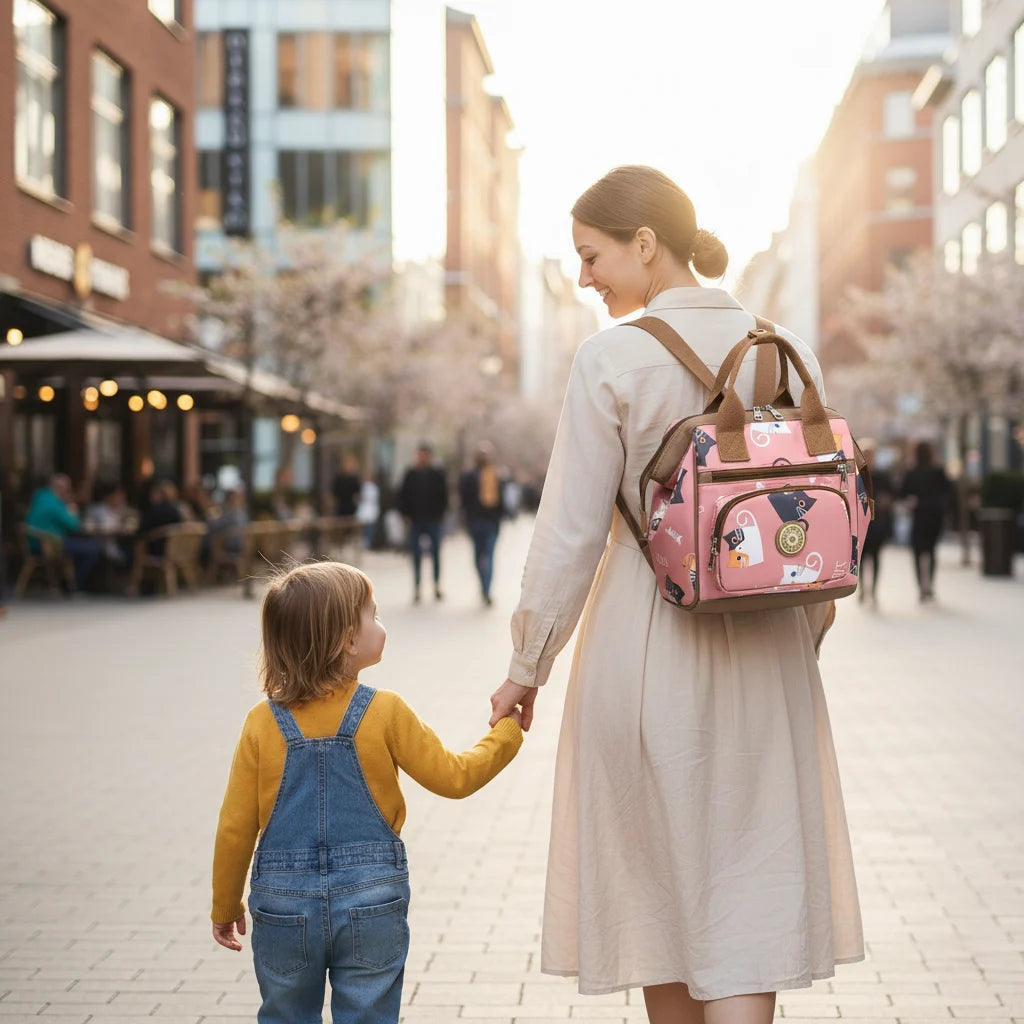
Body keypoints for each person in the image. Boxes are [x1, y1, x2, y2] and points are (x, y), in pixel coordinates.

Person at [488, 166, 863, 1024]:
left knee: (656, 874)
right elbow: (815, 520)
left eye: (592, 256)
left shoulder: (611, 358)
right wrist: (795, 641)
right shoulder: (785, 347)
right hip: (768, 650)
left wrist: (526, 665)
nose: (585, 279)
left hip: (644, 638)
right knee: (750, 871)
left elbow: (571, 532)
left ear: (644, 243)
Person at [209, 561, 523, 1023]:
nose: (381, 623)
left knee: (285, 1015)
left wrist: (225, 903)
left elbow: (235, 828)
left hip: (283, 906)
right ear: (346, 641)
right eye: (372, 614)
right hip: (371, 900)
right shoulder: (384, 712)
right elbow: (455, 778)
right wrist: (508, 731)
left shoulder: (261, 723)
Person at [25, 473, 102, 590]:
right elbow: (74, 526)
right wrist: (73, 511)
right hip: (48, 545)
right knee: (92, 548)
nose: (68, 492)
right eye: (67, 489)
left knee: (82, 546)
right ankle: (72, 584)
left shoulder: (41, 497)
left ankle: (68, 582)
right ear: (59, 488)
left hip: (33, 542)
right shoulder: (53, 503)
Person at [901, 440, 952, 602]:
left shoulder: (912, 472)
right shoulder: (938, 471)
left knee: (918, 552)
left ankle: (921, 586)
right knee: (931, 550)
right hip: (935, 516)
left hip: (919, 515)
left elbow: (902, 493)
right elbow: (949, 492)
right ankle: (929, 584)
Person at [397, 444, 448, 603]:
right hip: (416, 520)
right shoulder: (410, 474)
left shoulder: (437, 474)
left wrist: (441, 514)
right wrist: (405, 515)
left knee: (435, 554)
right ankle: (417, 587)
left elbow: (444, 496)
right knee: (416, 554)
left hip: (433, 520)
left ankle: (436, 585)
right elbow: (402, 495)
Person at [459, 443, 504, 606]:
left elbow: (501, 501)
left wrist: (500, 519)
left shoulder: (495, 476)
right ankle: (482, 584)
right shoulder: (468, 476)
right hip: (475, 522)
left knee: (490, 556)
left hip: (491, 522)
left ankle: (487, 589)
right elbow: (464, 501)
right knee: (478, 557)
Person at [857, 442, 894, 605]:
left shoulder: (882, 476)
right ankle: (862, 590)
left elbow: (892, 495)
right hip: (862, 523)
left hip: (878, 521)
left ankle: (873, 590)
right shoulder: (857, 475)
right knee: (862, 559)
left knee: (876, 557)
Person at [332, 454, 363, 519]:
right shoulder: (339, 478)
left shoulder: (355, 479)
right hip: (341, 507)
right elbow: (335, 492)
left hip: (351, 507)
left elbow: (357, 494)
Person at [356, 472, 381, 549]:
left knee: (369, 528)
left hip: (370, 510)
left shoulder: (373, 488)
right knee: (367, 528)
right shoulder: (366, 487)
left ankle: (368, 542)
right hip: (367, 510)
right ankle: (366, 542)